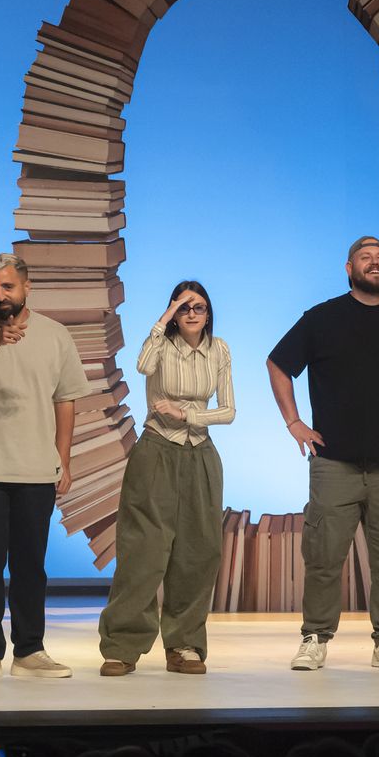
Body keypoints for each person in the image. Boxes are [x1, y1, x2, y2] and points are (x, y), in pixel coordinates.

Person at [266, 236, 379, 671]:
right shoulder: (322, 318)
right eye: (365, 257)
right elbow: (278, 363)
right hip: (335, 462)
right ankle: (314, 639)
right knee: (324, 556)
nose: (375, 263)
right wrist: (293, 422)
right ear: (349, 268)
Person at [0, 253, 90, 680]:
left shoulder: (54, 334)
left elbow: (65, 399)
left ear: (27, 286)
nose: (0, 295)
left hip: (35, 468)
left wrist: (63, 459)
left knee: (31, 564)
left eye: (8, 287)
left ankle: (30, 650)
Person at [98, 281, 235, 676]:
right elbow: (142, 366)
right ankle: (123, 645)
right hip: (157, 449)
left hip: (201, 453)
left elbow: (228, 410)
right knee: (143, 550)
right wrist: (162, 319)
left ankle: (185, 645)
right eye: (184, 307)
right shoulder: (160, 343)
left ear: (209, 314)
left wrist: (190, 414)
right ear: (173, 311)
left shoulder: (220, 349)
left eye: (200, 307)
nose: (192, 314)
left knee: (199, 550)